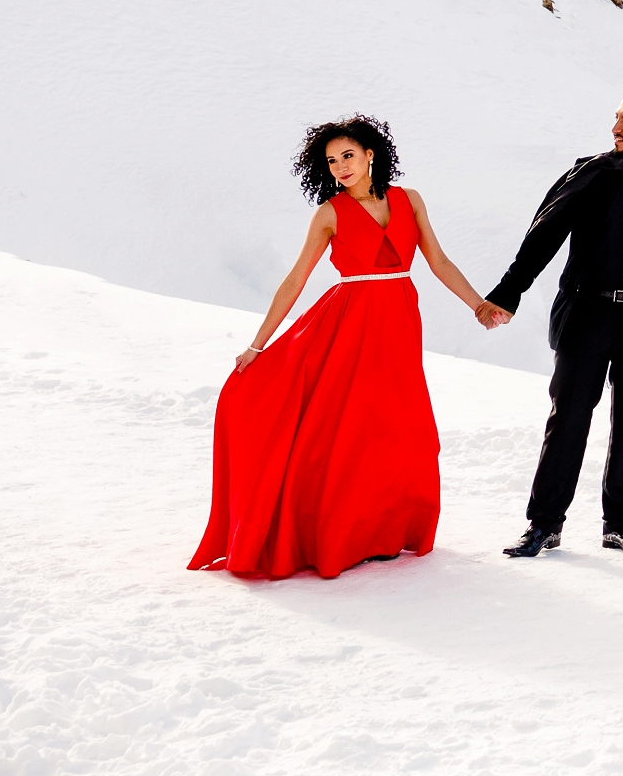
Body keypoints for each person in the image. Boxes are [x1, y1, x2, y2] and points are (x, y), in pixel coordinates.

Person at [192, 115, 506, 581]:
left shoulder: (408, 200)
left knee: (397, 428)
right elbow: (296, 278)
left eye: (348, 156)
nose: (340, 167)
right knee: (350, 432)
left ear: (371, 154)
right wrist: (259, 344)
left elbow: (437, 260)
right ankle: (340, 535)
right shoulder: (330, 213)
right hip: (348, 324)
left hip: (398, 320)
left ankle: (384, 532)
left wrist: (478, 304)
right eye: (332, 161)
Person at [486, 90, 623, 557]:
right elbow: (543, 237)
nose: (616, 127)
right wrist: (508, 294)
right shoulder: (589, 173)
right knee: (567, 419)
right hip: (585, 315)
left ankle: (621, 525)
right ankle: (544, 525)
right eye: (615, 118)